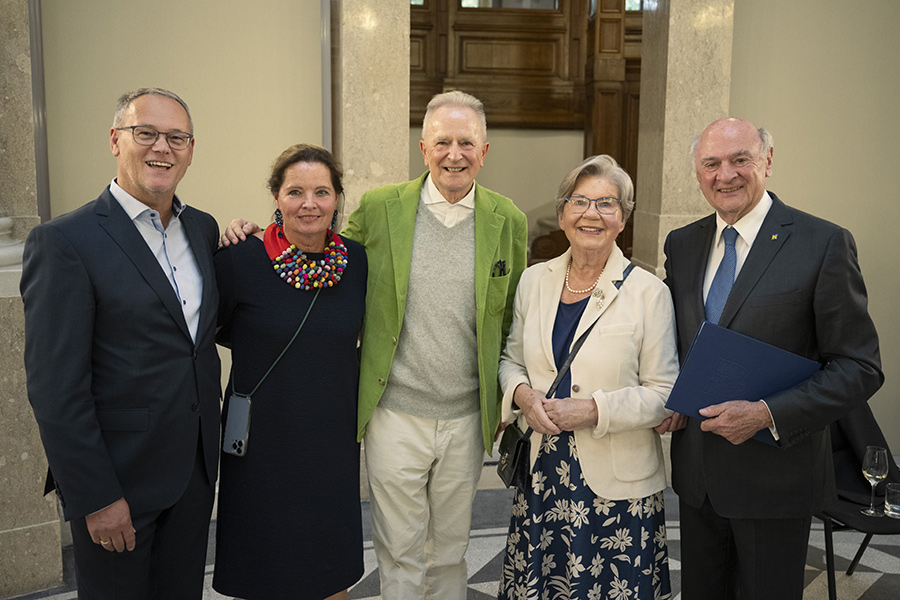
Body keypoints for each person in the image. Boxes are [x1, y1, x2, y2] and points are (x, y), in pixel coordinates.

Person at [221, 90, 528, 598]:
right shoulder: (384, 207)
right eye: (443, 142)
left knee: (451, 551)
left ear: (485, 151)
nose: (456, 153)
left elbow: (514, 311)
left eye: (467, 142)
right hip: (394, 412)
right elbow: (320, 245)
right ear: (424, 148)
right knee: (399, 552)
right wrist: (252, 229)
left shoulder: (508, 219)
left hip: (467, 417)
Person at [657, 117, 883, 600]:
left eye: (741, 160)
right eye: (711, 163)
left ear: (768, 162)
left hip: (776, 475)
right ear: (697, 172)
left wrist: (765, 414)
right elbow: (681, 342)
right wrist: (670, 393)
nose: (726, 175)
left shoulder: (822, 243)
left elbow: (859, 367)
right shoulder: (683, 244)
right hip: (698, 475)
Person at [20, 88, 220, 599]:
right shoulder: (66, 242)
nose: (162, 148)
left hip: (193, 477)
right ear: (116, 140)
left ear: (191, 149)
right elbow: (55, 388)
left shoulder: (201, 228)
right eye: (146, 133)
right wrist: (95, 497)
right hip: (120, 485)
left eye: (176, 137)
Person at [497, 155, 679, 599]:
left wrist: (593, 409)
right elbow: (510, 359)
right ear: (562, 214)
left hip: (619, 483)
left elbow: (665, 392)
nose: (591, 214)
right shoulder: (533, 281)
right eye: (579, 202)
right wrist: (521, 394)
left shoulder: (648, 292)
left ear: (623, 219)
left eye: (606, 204)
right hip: (544, 472)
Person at [212, 144, 366, 600]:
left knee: (327, 565)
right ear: (276, 197)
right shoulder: (240, 259)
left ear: (337, 198)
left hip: (331, 439)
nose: (309, 204)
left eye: (322, 191)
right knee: (266, 562)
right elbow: (210, 332)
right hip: (262, 441)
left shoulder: (356, 263)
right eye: (295, 191)